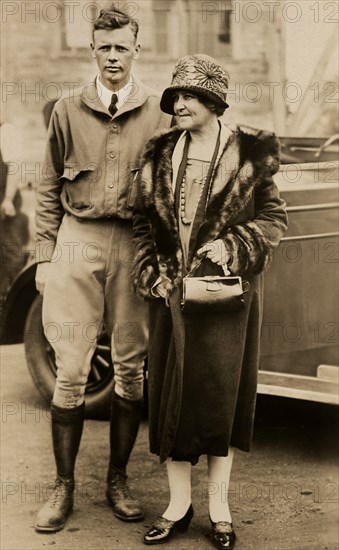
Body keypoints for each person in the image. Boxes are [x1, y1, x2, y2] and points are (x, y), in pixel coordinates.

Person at [132, 54, 288, 549]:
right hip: (171, 297)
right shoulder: (158, 153)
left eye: (189, 97)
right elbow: (143, 225)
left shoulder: (248, 152)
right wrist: (150, 270)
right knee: (171, 399)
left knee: (221, 401)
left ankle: (219, 508)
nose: (178, 105)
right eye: (175, 97)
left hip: (225, 296)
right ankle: (178, 506)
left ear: (213, 102)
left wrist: (233, 245)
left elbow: (273, 219)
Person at [34, 5, 169, 533]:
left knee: (132, 371)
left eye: (122, 48)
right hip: (78, 239)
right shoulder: (67, 110)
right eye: (104, 47)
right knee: (70, 370)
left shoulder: (159, 111)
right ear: (93, 50)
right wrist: (45, 257)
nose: (113, 57)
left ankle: (118, 479)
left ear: (137, 50)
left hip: (134, 245)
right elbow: (46, 186)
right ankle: (62, 487)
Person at [0, 122, 29, 307]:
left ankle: (13, 307)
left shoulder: (6, 130)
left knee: (10, 256)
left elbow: (15, 166)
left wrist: (8, 198)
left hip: (4, 206)